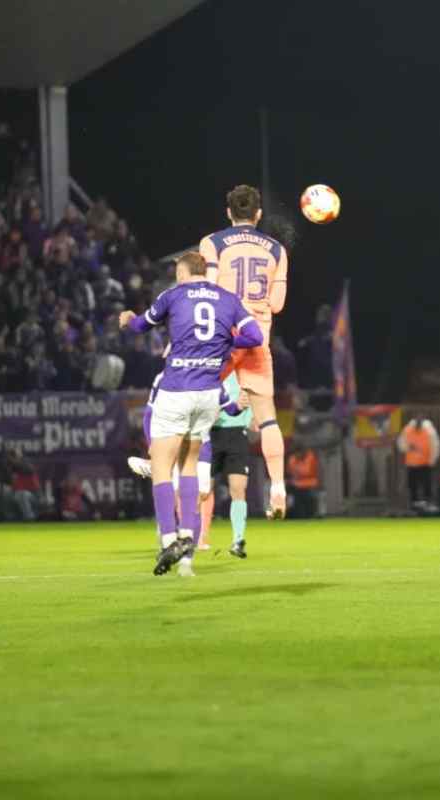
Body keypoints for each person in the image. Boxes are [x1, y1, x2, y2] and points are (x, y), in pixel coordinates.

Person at [119, 252, 262, 576]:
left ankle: (170, 538)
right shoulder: (228, 299)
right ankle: (187, 535)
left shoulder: (174, 294)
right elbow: (255, 336)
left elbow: (142, 325)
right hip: (209, 393)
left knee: (160, 465)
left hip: (177, 388)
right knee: (189, 463)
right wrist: (226, 344)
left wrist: (128, 319)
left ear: (183, 273)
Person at [199, 185, 291, 519]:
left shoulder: (213, 243)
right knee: (267, 421)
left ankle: (195, 483)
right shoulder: (277, 250)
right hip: (255, 340)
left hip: (221, 339)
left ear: (228, 212)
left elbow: (207, 290)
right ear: (258, 214)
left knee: (191, 407)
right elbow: (277, 304)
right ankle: (278, 489)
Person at [199, 373, 254, 558]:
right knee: (204, 489)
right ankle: (198, 536)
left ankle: (238, 539)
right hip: (210, 435)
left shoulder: (243, 375)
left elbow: (254, 399)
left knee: (238, 489)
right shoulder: (210, 372)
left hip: (237, 434)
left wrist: (254, 418)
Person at [397, 417, 440, 509]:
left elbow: (435, 446)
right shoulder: (407, 430)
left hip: (425, 463)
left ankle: (428, 503)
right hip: (411, 464)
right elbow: (401, 445)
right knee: (412, 485)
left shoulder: (429, 431)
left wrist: (432, 461)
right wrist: (408, 447)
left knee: (427, 485)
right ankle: (414, 504)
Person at [286, 441, 322, 519]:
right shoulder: (292, 458)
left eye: (299, 452)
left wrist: (297, 472)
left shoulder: (310, 457)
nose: (297, 455)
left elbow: (307, 472)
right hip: (295, 485)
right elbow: (290, 472)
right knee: (289, 491)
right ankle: (291, 512)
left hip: (310, 484)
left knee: (303, 494)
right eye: (295, 453)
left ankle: (308, 514)